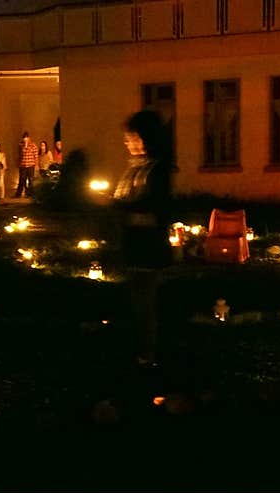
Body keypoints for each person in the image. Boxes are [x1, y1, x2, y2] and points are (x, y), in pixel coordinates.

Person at [112, 110, 172, 367]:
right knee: (134, 301)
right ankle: (136, 347)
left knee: (145, 303)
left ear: (149, 138)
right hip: (132, 244)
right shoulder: (133, 168)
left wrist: (123, 208)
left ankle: (147, 354)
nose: (130, 143)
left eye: (135, 138)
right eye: (128, 138)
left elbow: (157, 209)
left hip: (148, 247)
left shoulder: (157, 170)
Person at [15, 131, 38, 198]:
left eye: (26, 138)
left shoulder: (33, 145)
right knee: (22, 180)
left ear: (29, 138)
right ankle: (19, 193)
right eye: (24, 138)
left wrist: (36, 165)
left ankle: (30, 193)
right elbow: (21, 154)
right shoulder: (20, 145)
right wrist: (25, 145)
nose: (25, 139)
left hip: (31, 165)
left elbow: (36, 156)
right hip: (23, 165)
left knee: (31, 180)